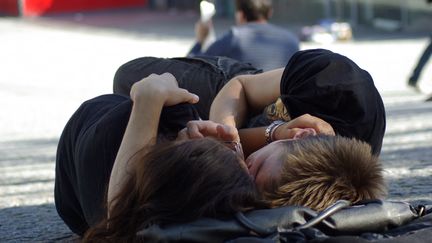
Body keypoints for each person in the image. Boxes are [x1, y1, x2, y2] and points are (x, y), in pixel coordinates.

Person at [55, 73, 265, 241]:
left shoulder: (174, 116)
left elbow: (153, 89)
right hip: (80, 192)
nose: (245, 159)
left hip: (92, 134)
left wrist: (151, 98)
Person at [188, 0, 300, 71]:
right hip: (282, 104)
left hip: (245, 105)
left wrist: (200, 41)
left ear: (240, 15)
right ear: (270, 12)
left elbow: (192, 66)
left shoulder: (234, 38)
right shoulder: (292, 40)